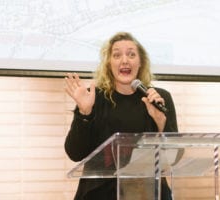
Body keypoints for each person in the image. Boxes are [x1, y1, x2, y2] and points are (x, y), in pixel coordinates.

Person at [64, 32, 178, 200]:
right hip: (100, 194)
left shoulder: (158, 98)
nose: (125, 60)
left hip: (146, 193)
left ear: (141, 62)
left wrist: (160, 122)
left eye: (131, 54)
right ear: (109, 64)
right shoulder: (94, 98)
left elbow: (173, 158)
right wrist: (85, 113)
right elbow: (75, 153)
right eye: (117, 55)